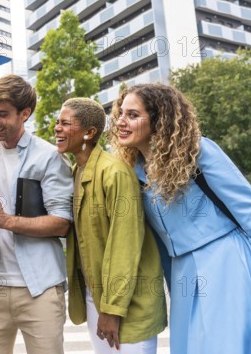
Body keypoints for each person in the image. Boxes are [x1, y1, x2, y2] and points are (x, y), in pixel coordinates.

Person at [110, 83, 251, 354]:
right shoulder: (133, 173)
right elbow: (160, 243)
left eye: (132, 115)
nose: (121, 122)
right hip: (182, 276)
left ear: (159, 120)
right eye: (120, 114)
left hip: (225, 264)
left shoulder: (197, 153)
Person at [55, 98, 166, 354]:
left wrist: (112, 310)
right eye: (57, 122)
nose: (57, 128)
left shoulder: (115, 172)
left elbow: (124, 245)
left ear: (89, 132)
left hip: (127, 304)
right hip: (97, 299)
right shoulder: (76, 171)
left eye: (65, 123)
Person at [0, 74, 72, 354]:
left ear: (25, 113)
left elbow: (61, 223)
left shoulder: (49, 157)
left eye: (2, 114)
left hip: (39, 287)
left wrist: (7, 221)